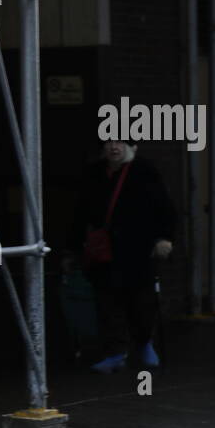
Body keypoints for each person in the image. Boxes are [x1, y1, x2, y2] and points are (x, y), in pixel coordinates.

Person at [69, 138, 176, 373]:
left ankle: (145, 343)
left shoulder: (144, 170)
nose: (114, 147)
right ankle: (115, 352)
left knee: (141, 300)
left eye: (120, 143)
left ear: (133, 147)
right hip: (105, 250)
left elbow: (164, 207)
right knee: (107, 301)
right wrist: (75, 245)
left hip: (138, 248)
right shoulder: (94, 173)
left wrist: (164, 238)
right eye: (109, 142)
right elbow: (80, 211)